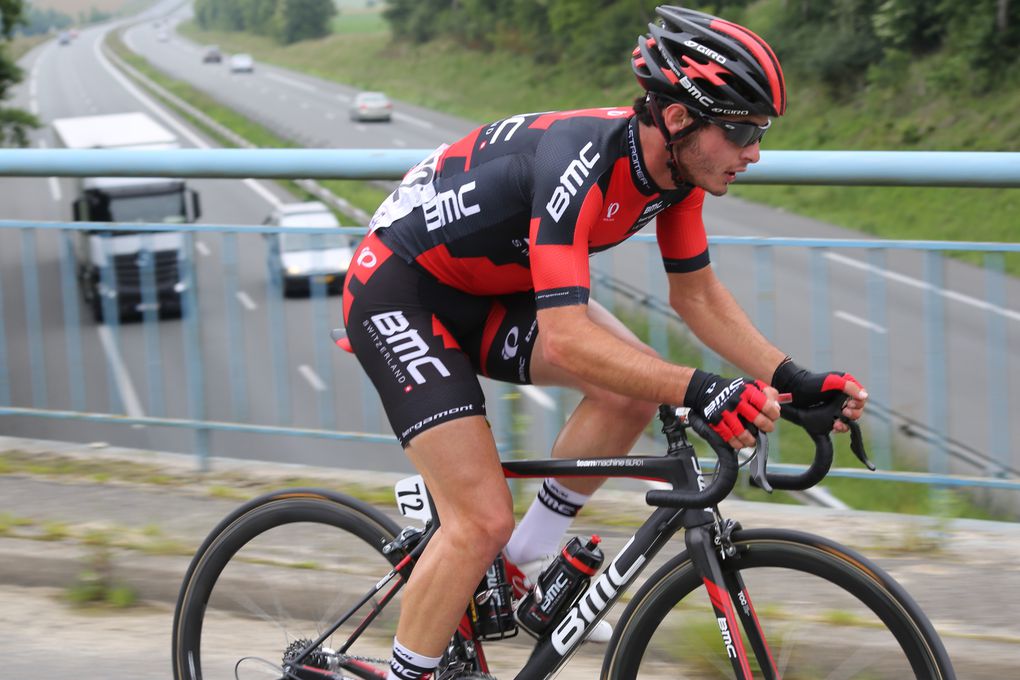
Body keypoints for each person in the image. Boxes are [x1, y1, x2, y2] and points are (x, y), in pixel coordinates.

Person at [341, 5, 868, 679]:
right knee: (477, 519)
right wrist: (703, 388)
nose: (754, 152)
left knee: (630, 389)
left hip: (488, 289)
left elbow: (697, 297)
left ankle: (522, 557)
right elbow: (565, 339)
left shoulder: (679, 176)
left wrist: (790, 379)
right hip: (401, 290)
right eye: (740, 130)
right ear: (678, 119)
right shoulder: (580, 163)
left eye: (759, 131)